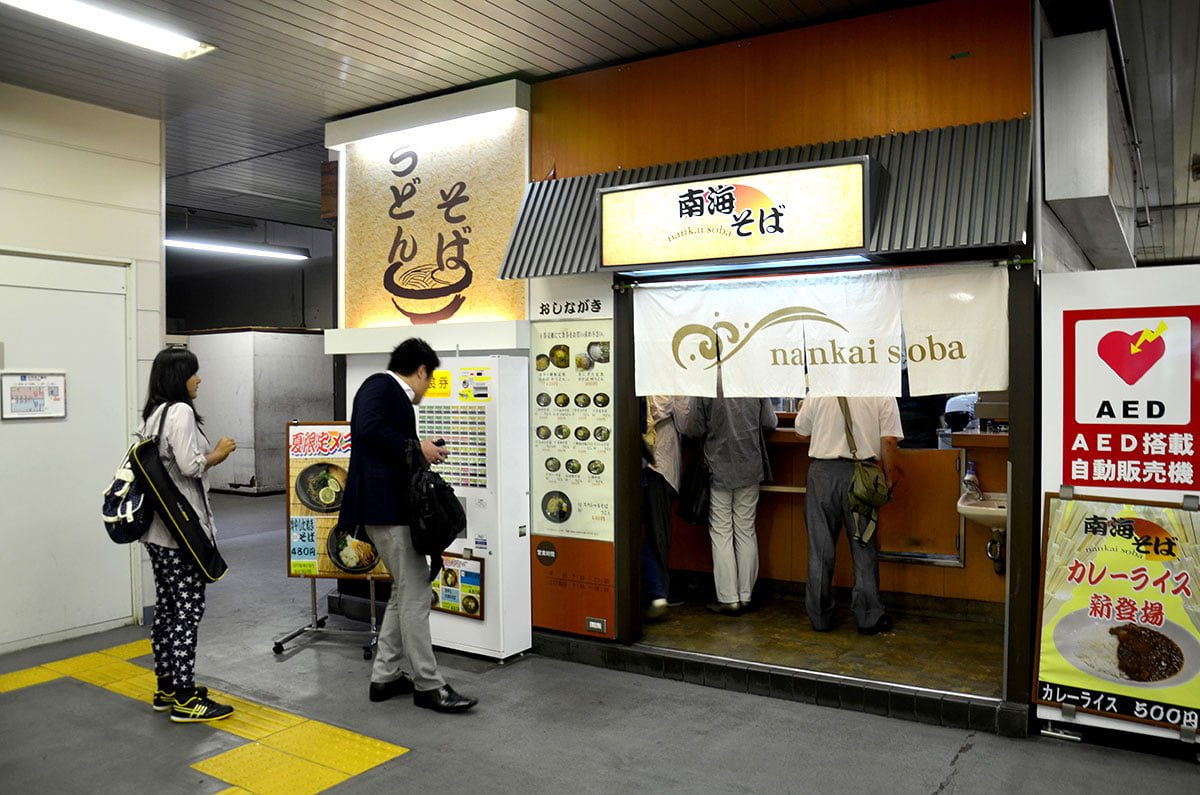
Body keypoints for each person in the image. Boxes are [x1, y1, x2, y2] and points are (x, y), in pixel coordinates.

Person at [337, 338, 477, 713]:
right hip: (387, 510)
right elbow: (367, 429)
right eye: (429, 381)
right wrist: (417, 448)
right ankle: (430, 685)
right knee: (415, 597)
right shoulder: (380, 385)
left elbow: (379, 435)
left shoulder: (384, 390)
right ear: (420, 371)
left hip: (389, 510)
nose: (427, 389)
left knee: (404, 592)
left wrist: (419, 446)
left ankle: (384, 676)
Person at [139, 347, 237, 723]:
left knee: (166, 609)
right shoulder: (179, 412)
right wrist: (219, 453)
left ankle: (166, 687)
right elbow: (189, 465)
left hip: (158, 532)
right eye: (193, 374)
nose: (199, 380)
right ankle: (184, 697)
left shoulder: (154, 414)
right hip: (182, 533)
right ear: (179, 377)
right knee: (188, 611)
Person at [793, 395, 903, 635]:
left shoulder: (821, 388)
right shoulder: (881, 389)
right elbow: (890, 440)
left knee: (820, 548)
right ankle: (868, 617)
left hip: (822, 474)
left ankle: (820, 617)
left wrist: (805, 407)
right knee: (864, 544)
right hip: (863, 474)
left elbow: (800, 433)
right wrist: (888, 475)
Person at [682, 385, 777, 615]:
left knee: (722, 531)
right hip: (749, 465)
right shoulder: (754, 380)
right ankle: (746, 595)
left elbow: (693, 427)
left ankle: (728, 598)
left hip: (718, 466)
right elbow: (770, 422)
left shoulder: (706, 382)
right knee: (745, 529)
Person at [641, 396, 687, 619]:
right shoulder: (666, 380)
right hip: (658, 463)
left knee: (651, 531)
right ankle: (659, 592)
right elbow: (686, 418)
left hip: (651, 461)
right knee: (657, 531)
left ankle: (657, 590)